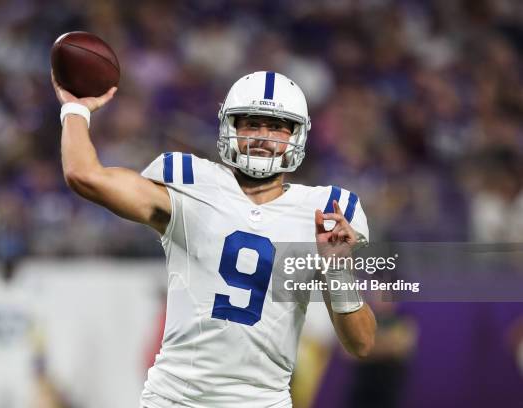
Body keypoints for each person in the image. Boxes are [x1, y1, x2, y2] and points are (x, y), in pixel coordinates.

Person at [52, 70, 376, 408]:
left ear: (297, 135)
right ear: (230, 128)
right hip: (174, 400)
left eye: (278, 126)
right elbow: (83, 175)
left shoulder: (323, 212)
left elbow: (361, 345)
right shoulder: (190, 185)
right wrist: (75, 110)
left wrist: (337, 271)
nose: (264, 137)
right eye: (251, 123)